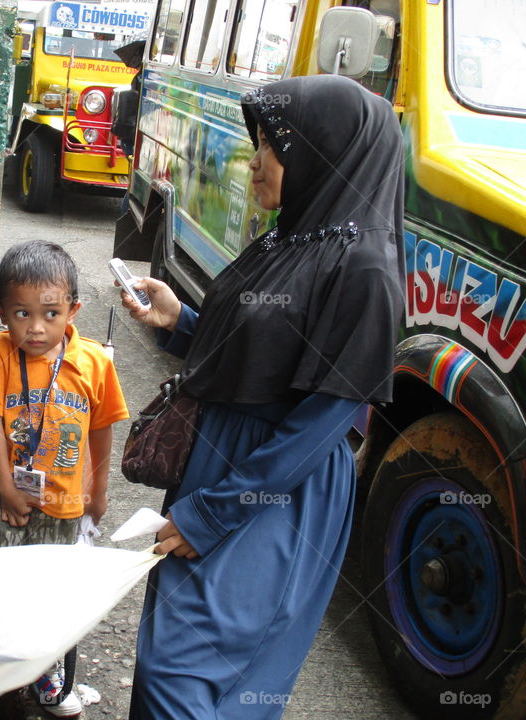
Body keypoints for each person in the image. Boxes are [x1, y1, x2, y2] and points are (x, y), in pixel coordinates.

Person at [121, 74, 405, 720]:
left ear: (321, 151)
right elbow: (267, 353)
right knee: (175, 657)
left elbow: (322, 420)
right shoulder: (293, 238)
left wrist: (214, 513)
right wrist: (181, 326)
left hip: (273, 488)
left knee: (186, 671)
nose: (253, 164)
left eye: (270, 146)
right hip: (222, 467)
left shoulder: (363, 269)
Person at [0, 240, 130, 720]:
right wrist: (8, 488)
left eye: (51, 314)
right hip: (1, 497)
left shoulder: (94, 362)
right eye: (20, 313)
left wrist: (97, 492)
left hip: (64, 504)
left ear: (73, 309)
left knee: (49, 596)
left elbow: (102, 430)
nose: (35, 328)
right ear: (0, 311)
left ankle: (44, 674)